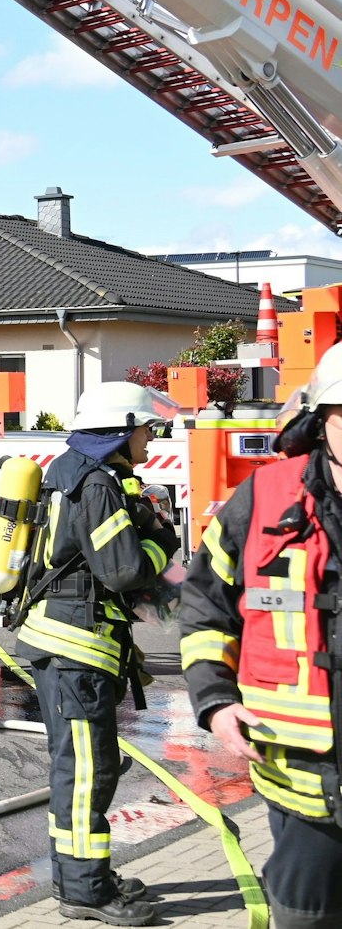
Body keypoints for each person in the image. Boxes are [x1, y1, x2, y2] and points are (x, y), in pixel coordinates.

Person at [182, 342, 342, 928]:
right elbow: (204, 604)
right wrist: (216, 702)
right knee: (305, 917)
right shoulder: (265, 497)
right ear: (321, 420)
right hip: (299, 778)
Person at [19, 380, 180, 926]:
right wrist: (164, 541)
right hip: (74, 649)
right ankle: (86, 893)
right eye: (146, 429)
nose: (150, 441)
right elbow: (124, 569)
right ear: (120, 429)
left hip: (67, 643)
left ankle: (82, 879)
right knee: (87, 772)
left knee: (83, 769)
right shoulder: (97, 485)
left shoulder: (72, 471)